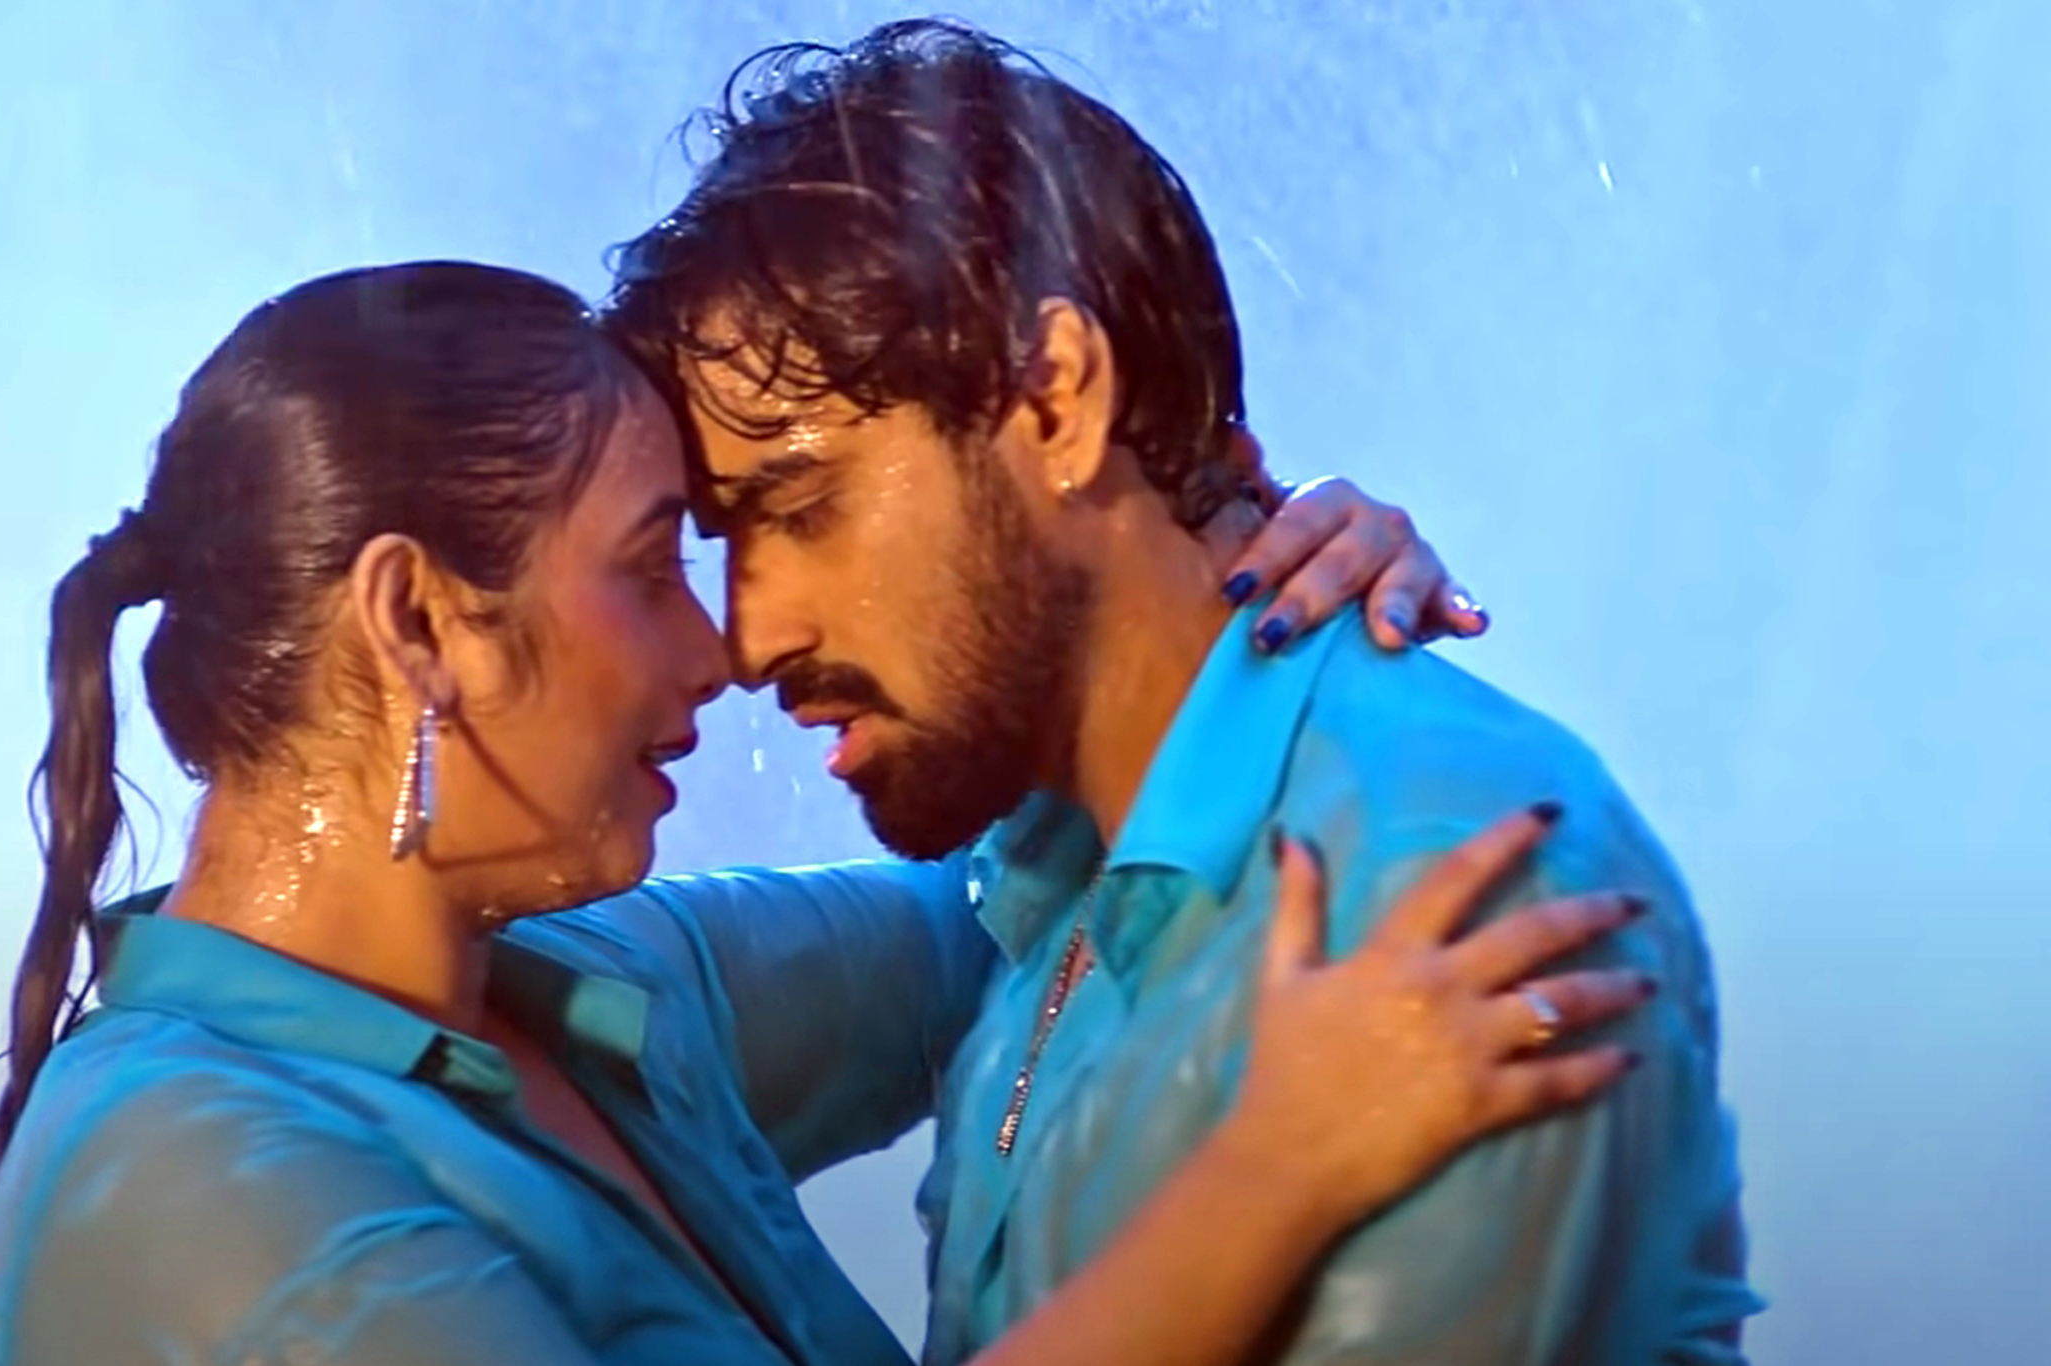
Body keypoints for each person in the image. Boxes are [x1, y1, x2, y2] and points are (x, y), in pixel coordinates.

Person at [0, 261, 1655, 1366]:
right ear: (417, 622)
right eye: (651, 568)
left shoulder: (599, 997)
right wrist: (1278, 1169)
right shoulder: (184, 1174)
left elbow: (1009, 920)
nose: (719, 650)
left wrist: (1232, 587)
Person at [604, 18, 1763, 1366]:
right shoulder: (1038, 884)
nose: (750, 640)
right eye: (723, 543)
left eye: (803, 507)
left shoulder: (1445, 888)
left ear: (1055, 403)